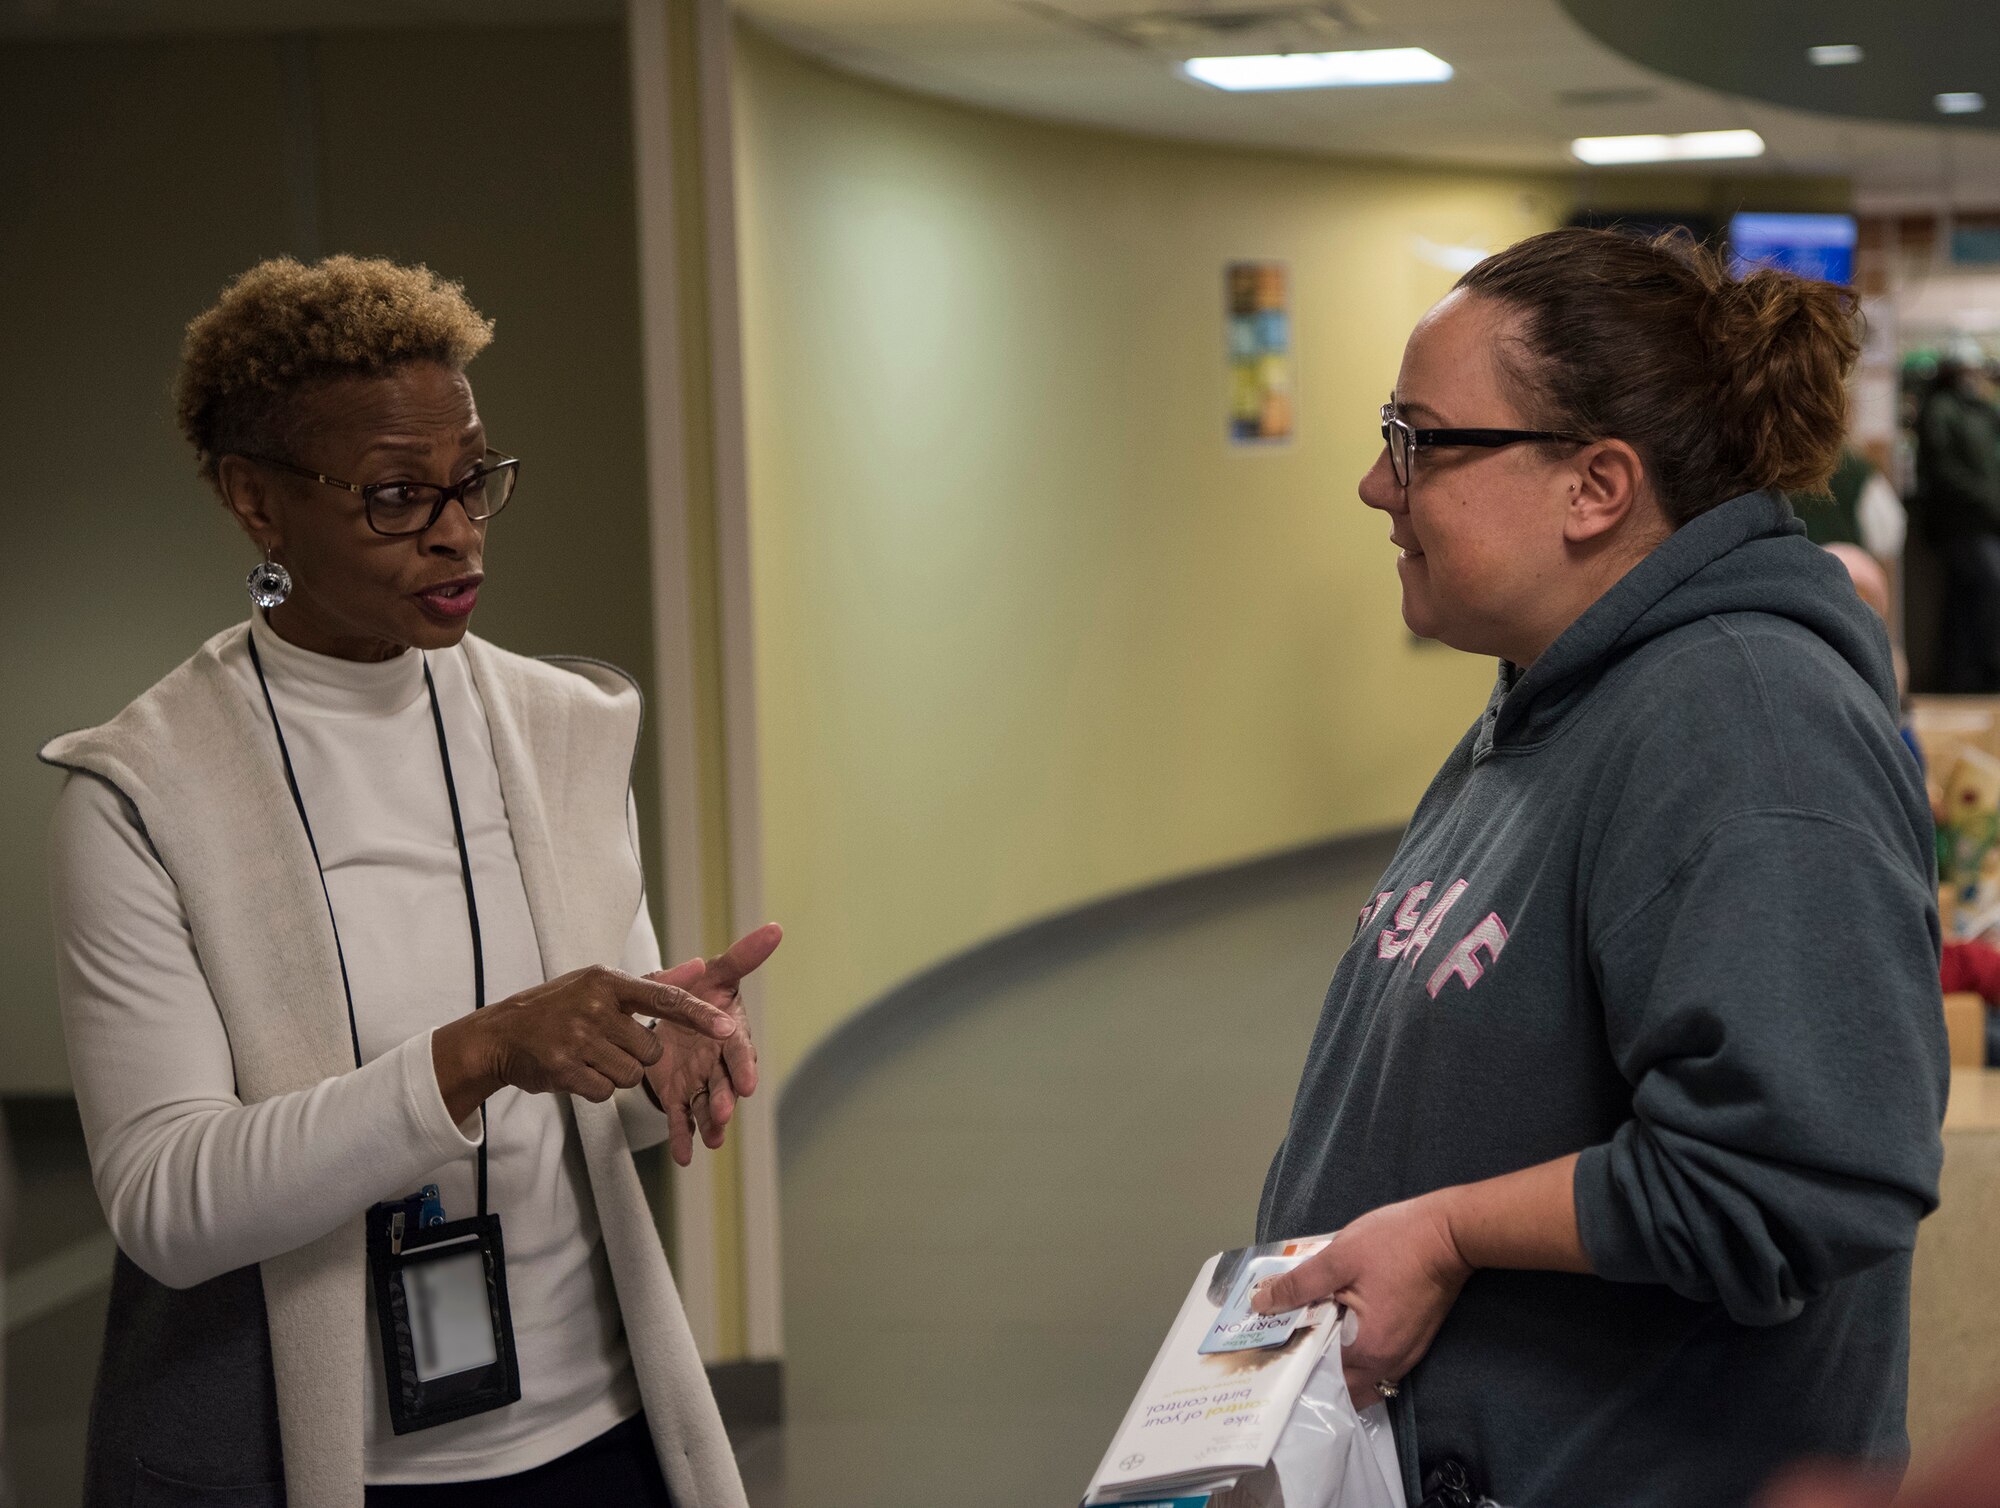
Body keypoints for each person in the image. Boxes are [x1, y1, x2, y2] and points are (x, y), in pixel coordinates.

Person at [42, 256, 778, 1508]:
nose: (456, 529)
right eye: (394, 496)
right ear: (254, 501)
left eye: (471, 480)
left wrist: (657, 1053)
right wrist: (477, 1053)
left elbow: (608, 1108)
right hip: (326, 1464)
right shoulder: (140, 793)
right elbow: (166, 1202)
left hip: (598, 1434)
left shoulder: (564, 726)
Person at [1248, 229, 1947, 1508]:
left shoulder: (1745, 720)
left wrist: (1450, 1228)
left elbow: (1798, 1172)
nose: (1371, 484)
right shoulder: (1556, 700)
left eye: (1415, 439)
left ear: (1594, 486)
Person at [1914, 348, 2000, 689]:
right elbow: (1945, 472)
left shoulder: (1980, 410)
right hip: (1962, 524)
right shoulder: (1943, 410)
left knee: (1965, 605)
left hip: (1983, 522)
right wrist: (1987, 499)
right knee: (1984, 595)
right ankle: (1981, 675)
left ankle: (1966, 678)